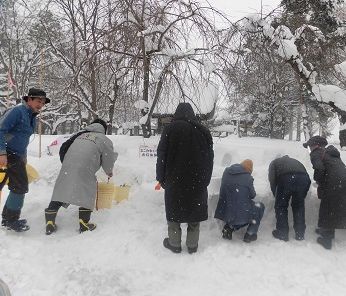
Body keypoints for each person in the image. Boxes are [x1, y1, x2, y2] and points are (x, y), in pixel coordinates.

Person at [156, 102, 214, 254]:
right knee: (194, 215)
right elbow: (209, 159)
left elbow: (162, 155)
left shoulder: (169, 129)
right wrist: (205, 180)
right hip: (197, 181)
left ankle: (174, 244)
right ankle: (192, 245)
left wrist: (161, 178)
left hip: (174, 180)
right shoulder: (203, 131)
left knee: (174, 215)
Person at [44, 118, 117, 234]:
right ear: (104, 129)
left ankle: (49, 221)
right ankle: (84, 223)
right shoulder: (104, 139)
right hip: (85, 168)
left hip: (68, 165)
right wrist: (109, 171)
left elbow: (65, 147)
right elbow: (108, 158)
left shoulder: (80, 135)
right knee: (87, 191)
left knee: (62, 190)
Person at [0, 88, 50, 232]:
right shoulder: (17, 111)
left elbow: (23, 139)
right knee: (20, 186)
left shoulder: (31, 116)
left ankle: (8, 218)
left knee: (13, 185)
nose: (40, 104)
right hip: (7, 153)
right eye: (38, 101)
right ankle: (10, 220)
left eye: (42, 102)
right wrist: (2, 152)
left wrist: (23, 158)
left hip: (16, 155)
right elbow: (1, 130)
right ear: (29, 99)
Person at [303, 135, 346, 249]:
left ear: (316, 145)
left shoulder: (316, 153)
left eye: (310, 146)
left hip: (333, 183)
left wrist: (318, 181)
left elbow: (320, 169)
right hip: (342, 182)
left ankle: (326, 239)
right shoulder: (330, 153)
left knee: (327, 207)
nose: (310, 149)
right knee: (332, 208)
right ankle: (325, 229)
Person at [215, 159, 265, 243]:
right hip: (239, 210)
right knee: (259, 207)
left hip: (225, 208)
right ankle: (250, 234)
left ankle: (230, 227)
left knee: (240, 210)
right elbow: (253, 195)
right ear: (248, 170)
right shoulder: (248, 178)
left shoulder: (227, 171)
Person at [268, 155, 311, 241]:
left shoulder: (274, 163)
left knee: (281, 207)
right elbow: (306, 177)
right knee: (298, 206)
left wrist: (276, 195)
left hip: (286, 178)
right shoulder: (296, 161)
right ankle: (300, 234)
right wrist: (302, 196)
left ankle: (282, 233)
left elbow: (272, 179)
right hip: (304, 179)